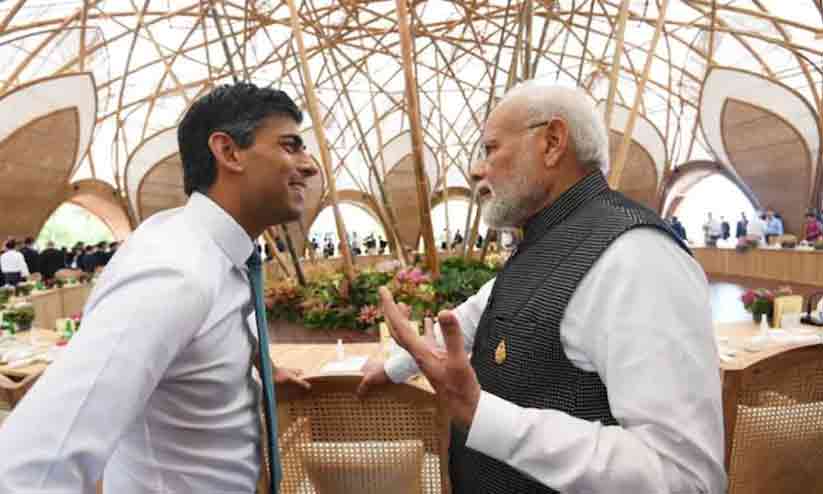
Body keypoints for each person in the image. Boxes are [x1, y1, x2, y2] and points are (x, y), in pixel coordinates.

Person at [359, 82, 725, 493]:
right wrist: (393, 367)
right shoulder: (550, 241)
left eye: (490, 149)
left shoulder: (638, 257)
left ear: (552, 142)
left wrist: (483, 414)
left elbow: (684, 476)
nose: (477, 170)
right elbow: (471, 319)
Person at [0, 82, 316, 492]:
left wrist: (262, 369)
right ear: (228, 152)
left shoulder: (225, 258)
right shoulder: (172, 272)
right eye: (290, 146)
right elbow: (31, 470)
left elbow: (214, 328)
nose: (309, 165)